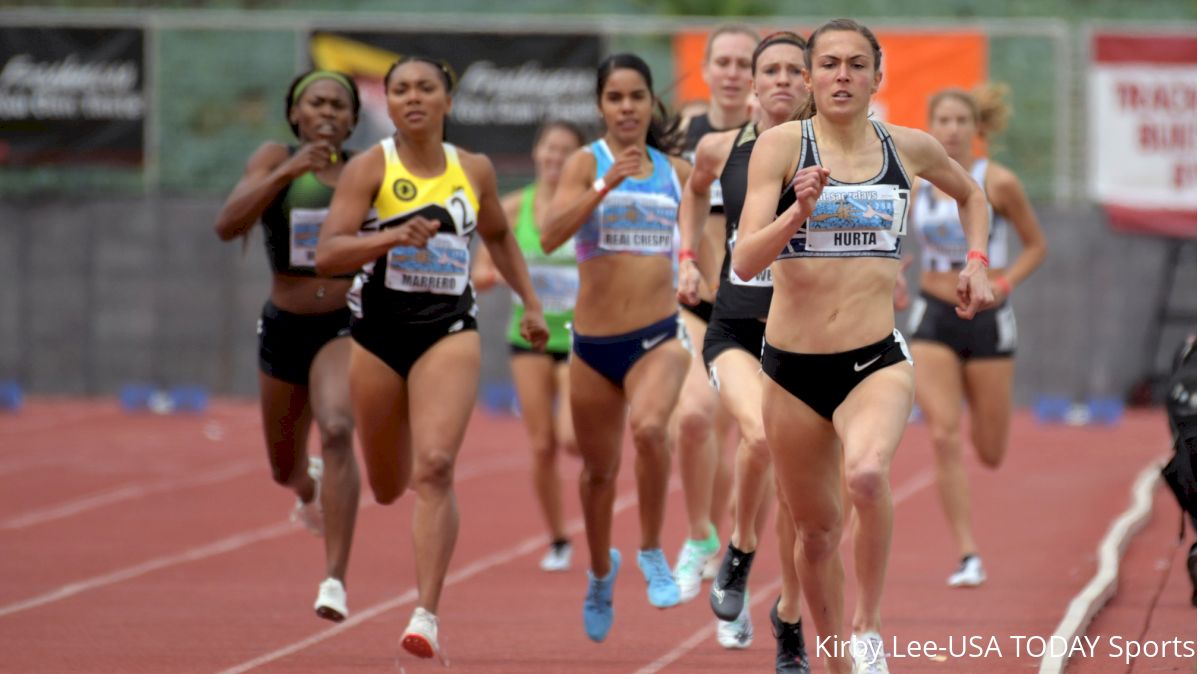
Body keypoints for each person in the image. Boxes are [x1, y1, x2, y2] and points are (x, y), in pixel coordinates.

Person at [731, 19, 993, 674]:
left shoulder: (908, 147)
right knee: (815, 536)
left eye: (855, 64)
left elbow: (973, 195)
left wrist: (978, 261)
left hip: (874, 359)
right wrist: (796, 212)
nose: (841, 76)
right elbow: (743, 260)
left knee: (869, 475)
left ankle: (867, 624)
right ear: (812, 78)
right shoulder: (782, 146)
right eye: (828, 65)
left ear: (878, 75)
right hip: (790, 372)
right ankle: (839, 661)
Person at [313, 56, 548, 662]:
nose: (412, 97)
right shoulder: (370, 167)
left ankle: (426, 614)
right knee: (390, 485)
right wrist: (392, 235)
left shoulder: (474, 168)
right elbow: (329, 253)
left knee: (437, 466)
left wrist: (530, 302)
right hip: (377, 335)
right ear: (387, 103)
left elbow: (497, 233)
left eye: (425, 88)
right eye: (400, 90)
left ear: (447, 99)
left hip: (449, 328)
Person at [541, 53, 692, 643]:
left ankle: (653, 547)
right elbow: (552, 234)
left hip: (658, 335)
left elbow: (705, 235)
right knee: (598, 472)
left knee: (653, 430)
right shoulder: (585, 163)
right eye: (615, 98)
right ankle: (602, 571)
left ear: (652, 103)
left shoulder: (677, 171)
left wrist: (695, 267)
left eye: (636, 97)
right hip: (594, 345)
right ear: (601, 107)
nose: (627, 108)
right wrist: (607, 184)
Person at [679, 31, 811, 665]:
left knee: (801, 496)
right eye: (771, 71)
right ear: (752, 85)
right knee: (759, 437)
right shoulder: (717, 146)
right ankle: (739, 549)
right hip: (734, 325)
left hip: (809, 337)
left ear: (809, 83)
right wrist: (688, 257)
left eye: (795, 70)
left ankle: (788, 620)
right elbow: (695, 189)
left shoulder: (833, 149)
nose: (782, 80)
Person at [213, 70, 363, 624]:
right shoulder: (274, 158)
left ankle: (335, 579)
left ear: (352, 120)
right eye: (316, 103)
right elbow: (227, 224)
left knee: (340, 427)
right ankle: (308, 484)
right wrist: (288, 170)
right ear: (296, 114)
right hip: (284, 323)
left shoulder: (363, 169)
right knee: (283, 469)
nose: (327, 113)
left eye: (339, 106)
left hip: (343, 323)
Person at [906, 84, 1047, 587]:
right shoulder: (916, 184)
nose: (951, 129)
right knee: (943, 435)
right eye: (941, 120)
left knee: (989, 451)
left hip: (988, 320)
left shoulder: (999, 182)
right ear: (930, 127)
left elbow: (1035, 245)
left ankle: (978, 410)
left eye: (960, 121)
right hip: (933, 317)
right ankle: (968, 553)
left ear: (976, 129)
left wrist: (1003, 282)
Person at [670, 23, 760, 608]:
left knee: (744, 438)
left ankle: (734, 542)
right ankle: (698, 535)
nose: (731, 72)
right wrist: (683, 258)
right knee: (695, 417)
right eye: (721, 61)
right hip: (702, 303)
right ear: (705, 70)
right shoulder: (686, 133)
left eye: (742, 62)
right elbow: (680, 200)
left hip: (762, 306)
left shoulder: (777, 133)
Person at [471, 120, 587, 572]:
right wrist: (493, 276)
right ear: (536, 153)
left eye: (566, 150)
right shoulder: (515, 206)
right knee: (541, 446)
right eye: (549, 148)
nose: (555, 157)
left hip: (578, 338)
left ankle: (599, 461)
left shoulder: (585, 209)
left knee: (570, 438)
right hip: (529, 336)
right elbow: (482, 267)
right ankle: (558, 538)